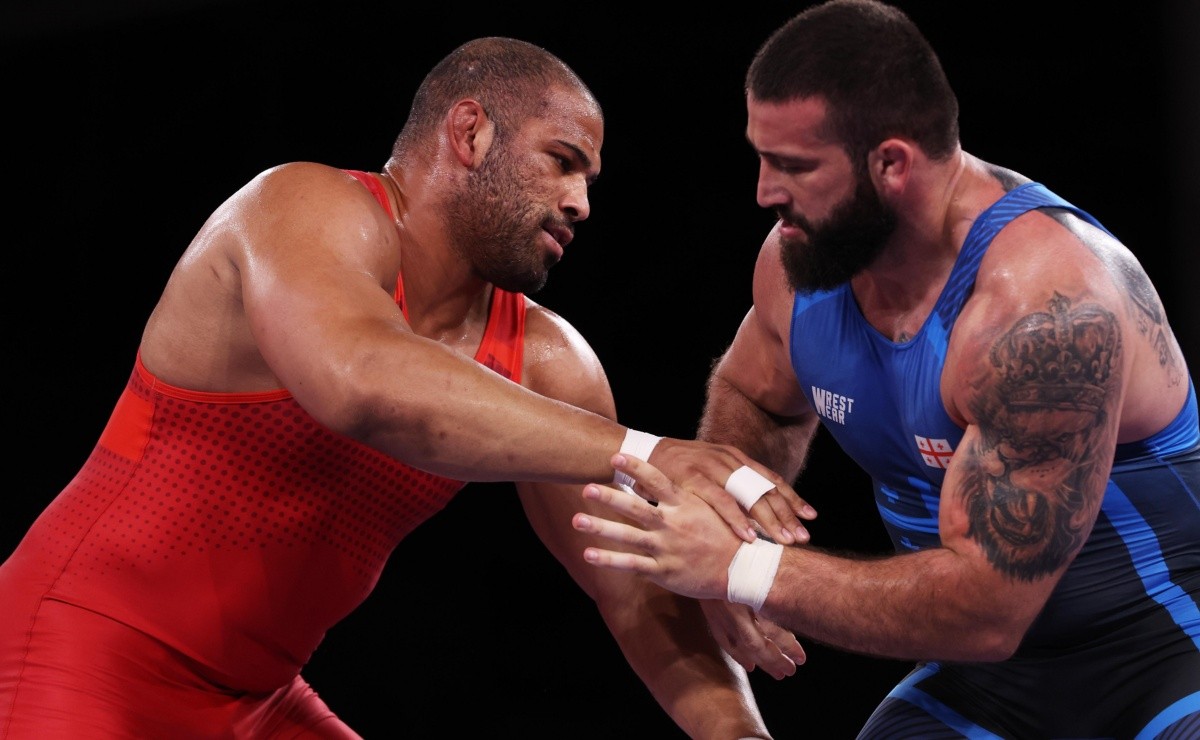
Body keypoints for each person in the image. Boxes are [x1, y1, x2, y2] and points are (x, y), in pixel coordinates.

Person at [0, 36, 810, 738]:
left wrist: (737, 730)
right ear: (470, 131)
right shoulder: (302, 207)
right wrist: (645, 450)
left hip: (254, 702)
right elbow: (358, 380)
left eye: (589, 179)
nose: (581, 202)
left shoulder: (546, 358)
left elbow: (632, 589)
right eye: (562, 162)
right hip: (79, 651)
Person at [572, 1, 1200, 737]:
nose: (764, 193)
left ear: (891, 164)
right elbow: (757, 396)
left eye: (794, 167)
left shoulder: (1044, 312)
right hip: (984, 689)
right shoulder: (798, 267)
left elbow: (989, 610)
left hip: (1163, 663)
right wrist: (730, 501)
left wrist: (738, 570)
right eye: (762, 158)